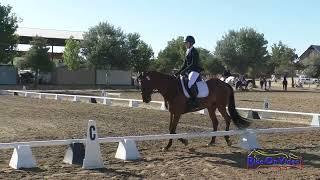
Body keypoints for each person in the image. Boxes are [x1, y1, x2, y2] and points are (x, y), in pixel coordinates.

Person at [175, 35, 203, 108]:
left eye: (186, 43)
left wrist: (184, 71)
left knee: (190, 83)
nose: (185, 44)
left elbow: (193, 64)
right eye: (185, 43)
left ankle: (195, 101)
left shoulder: (194, 51)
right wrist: (178, 72)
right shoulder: (187, 51)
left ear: (191, 43)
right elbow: (184, 64)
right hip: (189, 71)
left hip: (195, 71)